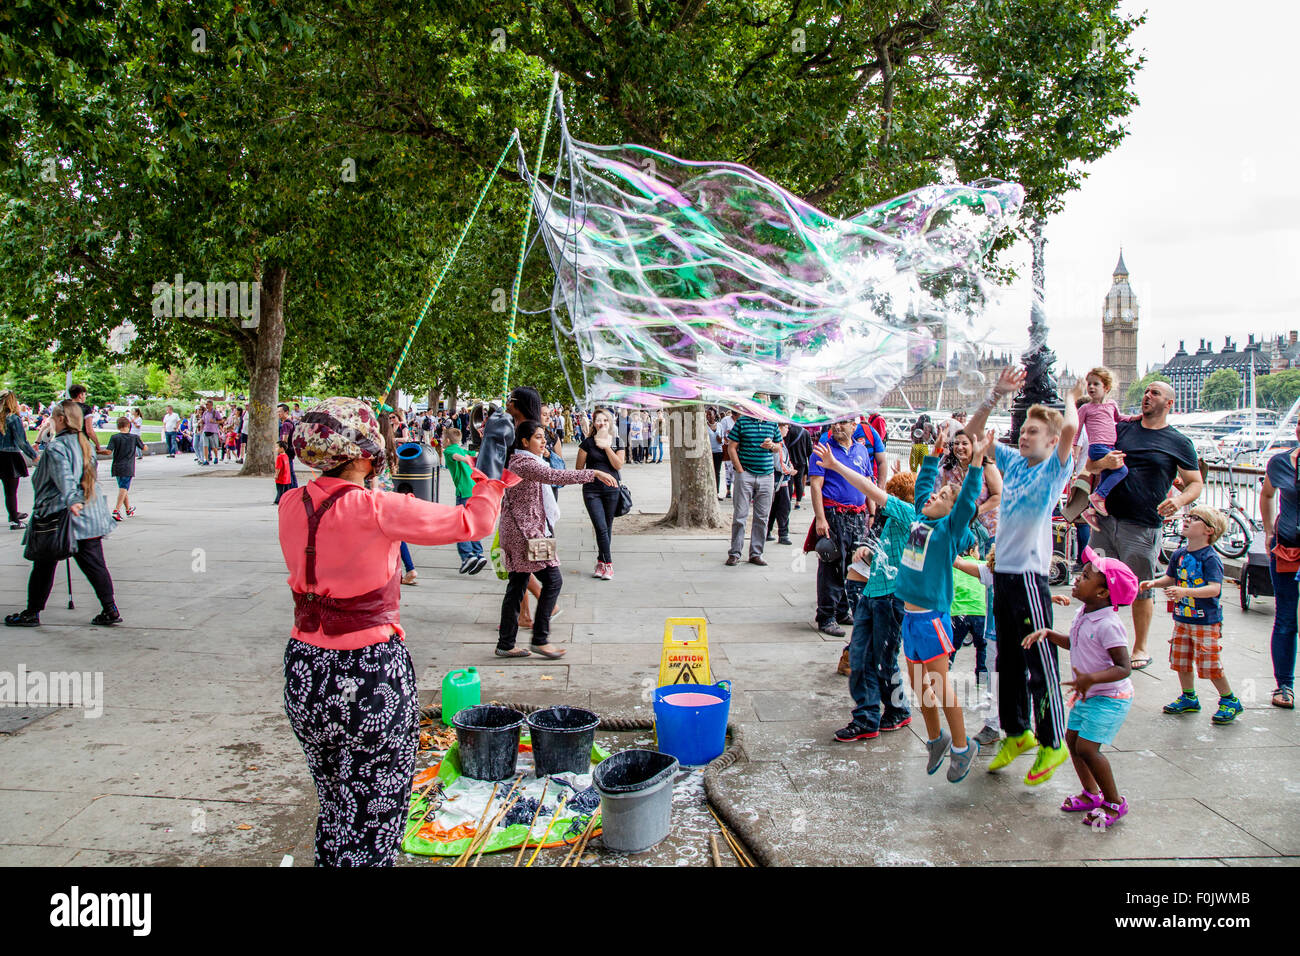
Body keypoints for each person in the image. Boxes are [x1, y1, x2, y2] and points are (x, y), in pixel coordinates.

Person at [278, 396, 508, 866]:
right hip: (368, 675)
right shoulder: (377, 507)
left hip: (304, 670)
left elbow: (338, 514)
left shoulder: (289, 502)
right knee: (375, 813)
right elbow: (474, 522)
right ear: (364, 454)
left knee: (338, 800)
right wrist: (489, 481)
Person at [962, 369, 1082, 786]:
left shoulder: (1053, 471)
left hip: (1030, 578)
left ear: (1051, 443)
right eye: (1023, 431)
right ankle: (1018, 731)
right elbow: (970, 433)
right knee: (1008, 661)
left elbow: (1069, 427)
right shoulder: (1012, 464)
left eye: (1033, 431)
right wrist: (995, 395)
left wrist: (1071, 397)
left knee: (1038, 659)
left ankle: (1053, 741)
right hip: (1005, 575)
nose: (1024, 436)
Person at [893, 428, 994, 782]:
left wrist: (978, 461)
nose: (932, 495)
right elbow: (923, 483)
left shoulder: (950, 530)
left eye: (941, 496)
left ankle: (964, 747)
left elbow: (967, 501)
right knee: (919, 685)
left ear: (951, 511)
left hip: (933, 619)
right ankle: (936, 740)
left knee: (941, 684)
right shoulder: (922, 520)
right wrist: (935, 450)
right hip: (910, 618)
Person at [1083, 380, 1201, 670]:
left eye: (1155, 393)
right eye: (1146, 391)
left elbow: (1195, 482)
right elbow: (1091, 463)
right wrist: (1103, 464)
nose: (1147, 396)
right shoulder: (1122, 429)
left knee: (1140, 587)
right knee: (1096, 582)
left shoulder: (1178, 442)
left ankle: (1140, 647)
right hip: (1105, 520)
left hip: (1143, 524)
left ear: (1168, 403)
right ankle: (1095, 641)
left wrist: (1180, 500)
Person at [1024, 548, 1138, 828]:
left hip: (1111, 698)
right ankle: (1091, 794)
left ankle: (1114, 802)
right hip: (1088, 694)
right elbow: (1076, 642)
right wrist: (1051, 635)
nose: (1076, 578)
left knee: (1088, 748)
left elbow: (1124, 667)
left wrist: (1092, 678)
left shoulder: (1109, 625)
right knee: (1073, 742)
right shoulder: (1084, 612)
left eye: (1085, 576)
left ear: (1102, 593)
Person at [812, 449, 914, 742]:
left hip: (893, 598)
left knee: (884, 659)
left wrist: (834, 466)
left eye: (892, 493)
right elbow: (882, 545)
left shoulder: (908, 513)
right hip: (873, 594)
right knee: (859, 656)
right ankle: (867, 717)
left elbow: (867, 488)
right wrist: (867, 551)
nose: (886, 497)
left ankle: (896, 709)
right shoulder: (892, 520)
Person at [497, 420, 616, 659]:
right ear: (524, 442)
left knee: (517, 585)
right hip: (526, 534)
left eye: (544, 437)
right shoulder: (524, 462)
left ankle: (506, 643)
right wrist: (593, 473)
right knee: (553, 580)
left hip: (522, 530)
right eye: (538, 438)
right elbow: (554, 475)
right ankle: (540, 639)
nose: (543, 442)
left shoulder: (524, 460)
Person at [5, 400, 121, 627]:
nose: (49, 421)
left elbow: (64, 477)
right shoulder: (84, 444)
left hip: (62, 516)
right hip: (88, 515)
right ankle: (110, 608)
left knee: (44, 564)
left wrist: (72, 501)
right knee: (94, 564)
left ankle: (32, 612)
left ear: (60, 420)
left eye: (52, 417)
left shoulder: (58, 447)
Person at [1139, 506, 1244, 725]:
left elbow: (1215, 589)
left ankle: (1229, 699)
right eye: (1188, 516)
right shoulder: (1179, 553)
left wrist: (1185, 591)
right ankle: (1189, 696)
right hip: (1182, 617)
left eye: (1195, 519)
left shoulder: (1210, 558)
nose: (1187, 520)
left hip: (1206, 621)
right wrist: (1154, 583)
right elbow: (1171, 578)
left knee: (1209, 662)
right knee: (1181, 660)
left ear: (1209, 530)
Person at [806, 419, 871, 633]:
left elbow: (867, 481)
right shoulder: (822, 451)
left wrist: (872, 513)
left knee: (853, 566)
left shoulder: (861, 450)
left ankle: (843, 610)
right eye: (835, 423)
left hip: (858, 516)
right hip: (834, 515)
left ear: (854, 426)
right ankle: (826, 615)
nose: (837, 427)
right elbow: (816, 485)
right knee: (831, 566)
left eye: (843, 423)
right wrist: (821, 518)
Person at [1260, 422, 1300, 709]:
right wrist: (1268, 531)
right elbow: (1267, 494)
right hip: (1286, 550)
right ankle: (1284, 685)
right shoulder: (1281, 462)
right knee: (1285, 618)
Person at [1075, 367, 1137, 517]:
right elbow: (1077, 429)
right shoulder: (1085, 408)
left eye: (1096, 384)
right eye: (1089, 384)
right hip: (1097, 447)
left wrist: (1133, 418)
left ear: (1106, 388)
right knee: (1122, 470)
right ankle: (1099, 496)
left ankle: (1090, 510)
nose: (1090, 387)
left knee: (1106, 475)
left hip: (1110, 446)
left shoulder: (1112, 405)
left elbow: (1119, 418)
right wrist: (1073, 448)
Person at [724, 410, 781, 567]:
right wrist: (740, 470)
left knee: (762, 517)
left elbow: (778, 447)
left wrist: (772, 446)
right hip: (746, 474)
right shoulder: (743, 422)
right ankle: (735, 553)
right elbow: (731, 447)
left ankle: (756, 553)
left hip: (767, 475)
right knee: (740, 515)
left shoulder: (772, 423)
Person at [576, 408, 625, 580]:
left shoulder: (618, 441)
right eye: (598, 420)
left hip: (612, 491)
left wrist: (606, 447)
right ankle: (609, 564)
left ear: (610, 422)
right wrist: (595, 473)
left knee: (607, 527)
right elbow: (578, 469)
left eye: (605, 420)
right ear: (594, 423)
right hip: (592, 491)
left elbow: (618, 465)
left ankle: (600, 561)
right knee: (601, 527)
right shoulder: (587, 443)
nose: (602, 423)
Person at [441, 426, 488, 575]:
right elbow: (475, 454)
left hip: (464, 492)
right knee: (472, 523)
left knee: (460, 525)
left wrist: (465, 460)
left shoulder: (448, 450)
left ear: (447, 440)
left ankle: (467, 556)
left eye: (443, 439)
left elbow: (456, 456)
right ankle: (478, 553)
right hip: (474, 489)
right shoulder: (462, 449)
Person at [0, 390, 36, 530]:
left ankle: (13, 513)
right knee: (10, 491)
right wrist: (33, 455)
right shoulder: (13, 418)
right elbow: (21, 442)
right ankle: (14, 520)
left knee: (8, 490)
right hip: (10, 457)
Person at [106, 416, 145, 521]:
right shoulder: (134, 437)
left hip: (116, 466)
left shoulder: (114, 437)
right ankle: (116, 511)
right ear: (129, 425)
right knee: (124, 488)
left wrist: (97, 451)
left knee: (123, 488)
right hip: (128, 466)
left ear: (118, 426)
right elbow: (144, 448)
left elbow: (108, 451)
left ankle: (128, 509)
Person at [765, 423, 796, 546]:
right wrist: (790, 470)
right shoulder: (778, 444)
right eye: (785, 427)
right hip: (781, 481)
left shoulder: (779, 443)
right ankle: (783, 534)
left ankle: (768, 532)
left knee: (773, 508)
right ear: (779, 428)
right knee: (783, 508)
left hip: (778, 480)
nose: (787, 429)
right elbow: (779, 464)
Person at [785, 421, 813, 509]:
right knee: (799, 482)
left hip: (790, 461)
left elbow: (785, 446)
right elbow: (810, 450)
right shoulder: (806, 432)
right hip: (802, 462)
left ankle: (788, 501)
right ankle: (798, 502)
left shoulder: (789, 431)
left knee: (790, 482)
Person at [715, 409, 736, 498]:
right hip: (728, 448)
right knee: (729, 469)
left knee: (736, 470)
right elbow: (720, 434)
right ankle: (728, 490)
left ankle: (736, 490)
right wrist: (726, 441)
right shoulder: (726, 420)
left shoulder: (742, 420)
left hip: (739, 449)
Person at [277, 404, 299, 487]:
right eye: (277, 412)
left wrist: (281, 451)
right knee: (290, 471)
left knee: (289, 471)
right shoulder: (290, 422)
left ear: (286, 412)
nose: (278, 413)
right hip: (290, 450)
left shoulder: (286, 424)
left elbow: (284, 438)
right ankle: (294, 488)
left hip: (287, 451)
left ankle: (293, 489)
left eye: (280, 412)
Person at [199, 399, 223, 465]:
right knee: (205, 446)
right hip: (206, 430)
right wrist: (201, 423)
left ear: (211, 405)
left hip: (213, 431)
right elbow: (203, 421)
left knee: (214, 446)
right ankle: (206, 459)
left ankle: (216, 457)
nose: (206, 406)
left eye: (207, 404)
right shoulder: (205, 413)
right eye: (206, 404)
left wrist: (214, 421)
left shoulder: (215, 412)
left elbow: (221, 421)